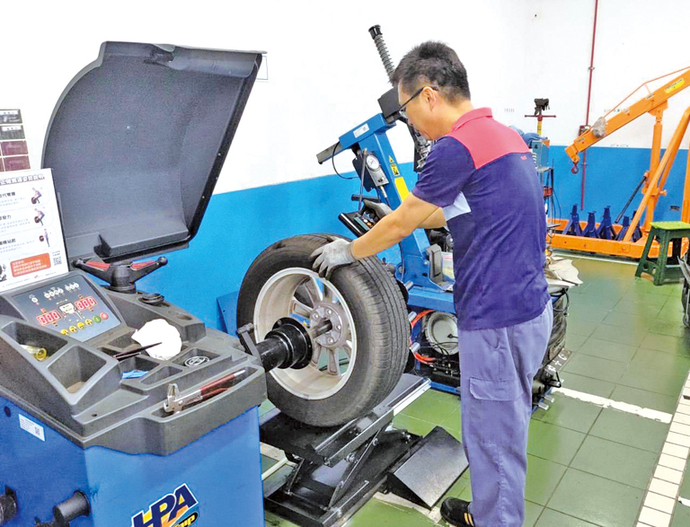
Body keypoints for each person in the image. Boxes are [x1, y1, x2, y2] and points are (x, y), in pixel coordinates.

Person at [312, 41, 552, 527]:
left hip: (497, 321)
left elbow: (405, 223)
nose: (410, 122)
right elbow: (466, 209)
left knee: (493, 439)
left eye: (406, 109)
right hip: (529, 309)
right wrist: (402, 216)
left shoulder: (455, 147)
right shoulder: (502, 136)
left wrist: (351, 250)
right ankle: (488, 512)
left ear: (428, 95)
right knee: (504, 428)